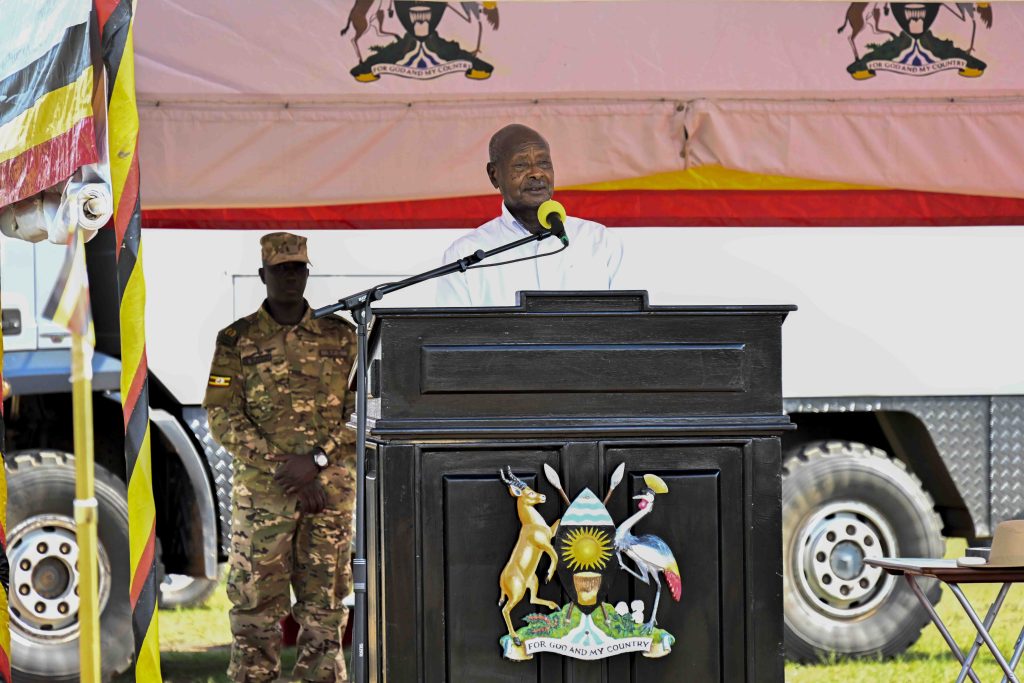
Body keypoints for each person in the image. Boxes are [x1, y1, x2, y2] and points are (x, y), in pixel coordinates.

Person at [204, 232, 356, 683]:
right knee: (254, 615)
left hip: (327, 499)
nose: (290, 276)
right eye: (281, 269)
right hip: (264, 500)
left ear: (308, 272)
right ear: (263, 275)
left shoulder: (343, 336)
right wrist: (283, 467)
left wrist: (319, 462)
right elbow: (222, 414)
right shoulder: (236, 339)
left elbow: (363, 409)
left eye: (298, 268)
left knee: (324, 615)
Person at [436, 123, 624, 307]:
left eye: (543, 163)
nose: (536, 173)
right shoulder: (466, 253)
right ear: (494, 175)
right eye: (520, 165)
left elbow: (631, 324)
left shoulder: (600, 241)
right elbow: (453, 333)